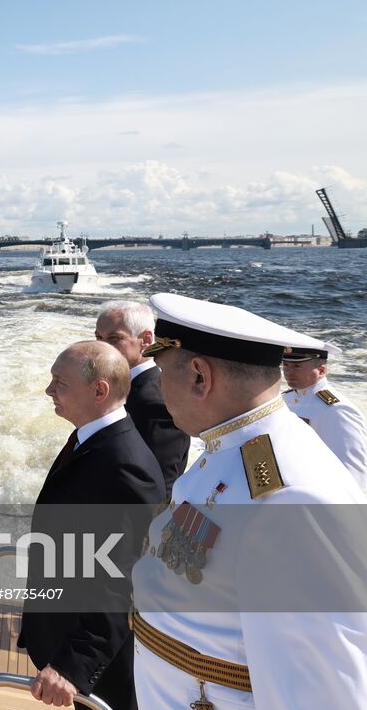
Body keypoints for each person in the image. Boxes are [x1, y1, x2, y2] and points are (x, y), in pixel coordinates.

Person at [132, 293, 367, 710]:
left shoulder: (290, 499)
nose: (158, 385)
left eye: (162, 372)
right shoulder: (231, 446)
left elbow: (322, 693)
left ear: (200, 377)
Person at [20, 340, 165, 710]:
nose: (48, 390)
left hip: (105, 669)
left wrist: (73, 664)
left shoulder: (124, 465)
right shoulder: (91, 439)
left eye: (60, 382)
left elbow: (120, 583)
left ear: (99, 391)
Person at [96, 300, 191, 497]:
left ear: (146, 339)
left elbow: (158, 488)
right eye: (99, 338)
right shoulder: (121, 387)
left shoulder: (157, 404)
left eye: (114, 339)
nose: (102, 349)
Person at [281, 342, 367, 491]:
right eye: (286, 365)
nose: (288, 371)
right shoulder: (284, 399)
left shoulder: (337, 409)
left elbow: (353, 473)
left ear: (321, 371)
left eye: (297, 367)